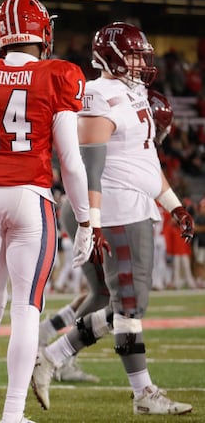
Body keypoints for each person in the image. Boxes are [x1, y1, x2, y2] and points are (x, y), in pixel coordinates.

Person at [0, 0, 94, 423]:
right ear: (43, 34)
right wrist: (85, 220)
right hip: (30, 196)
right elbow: (70, 160)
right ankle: (12, 413)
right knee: (26, 308)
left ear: (0, 34)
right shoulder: (58, 75)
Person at [31, 33, 194, 414]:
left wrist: (175, 206)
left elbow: (146, 163)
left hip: (137, 207)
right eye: (134, 56)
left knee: (128, 304)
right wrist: (94, 222)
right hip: (116, 209)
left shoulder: (133, 92)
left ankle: (53, 355)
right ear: (113, 56)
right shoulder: (97, 93)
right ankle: (141, 393)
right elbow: (92, 167)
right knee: (128, 306)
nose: (141, 64)